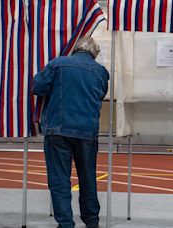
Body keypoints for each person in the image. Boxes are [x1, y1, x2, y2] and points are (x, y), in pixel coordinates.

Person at [33, 36, 109, 228]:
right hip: (87, 132)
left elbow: (38, 86)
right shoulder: (101, 72)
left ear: (76, 48)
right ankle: (92, 222)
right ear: (94, 53)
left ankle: (66, 224)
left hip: (58, 130)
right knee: (88, 178)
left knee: (59, 180)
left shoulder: (58, 64)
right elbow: (100, 95)